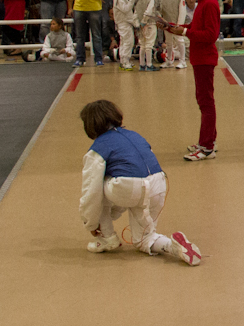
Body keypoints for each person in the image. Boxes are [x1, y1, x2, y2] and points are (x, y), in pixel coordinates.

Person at [78, 100, 200, 264]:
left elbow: (90, 191)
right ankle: (173, 247)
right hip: (158, 184)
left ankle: (107, 238)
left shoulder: (97, 149)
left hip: (128, 188)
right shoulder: (135, 136)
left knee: (98, 184)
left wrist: (91, 224)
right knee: (144, 240)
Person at [164, 0, 221, 160]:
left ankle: (207, 146)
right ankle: (209, 140)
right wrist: (173, 27)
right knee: (204, 101)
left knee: (206, 102)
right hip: (199, 58)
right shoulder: (203, 2)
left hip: (205, 58)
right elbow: (196, 27)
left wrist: (185, 32)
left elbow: (210, 35)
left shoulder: (209, 3)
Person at [159, 0, 188, 68]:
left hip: (176, 24)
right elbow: (161, 11)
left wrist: (179, 25)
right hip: (167, 24)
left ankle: (183, 61)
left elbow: (182, 12)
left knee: (180, 41)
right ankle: (169, 61)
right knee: (168, 42)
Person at [133, 0, 160, 71]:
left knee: (142, 45)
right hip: (149, 24)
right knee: (149, 45)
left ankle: (142, 64)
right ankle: (149, 65)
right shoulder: (150, 0)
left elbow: (135, 14)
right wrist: (143, 22)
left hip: (140, 26)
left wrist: (137, 24)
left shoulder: (138, 1)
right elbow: (148, 12)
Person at [112, 0, 138, 70]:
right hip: (124, 23)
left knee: (124, 42)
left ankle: (124, 61)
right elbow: (126, 9)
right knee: (128, 42)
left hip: (125, 23)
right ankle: (125, 61)